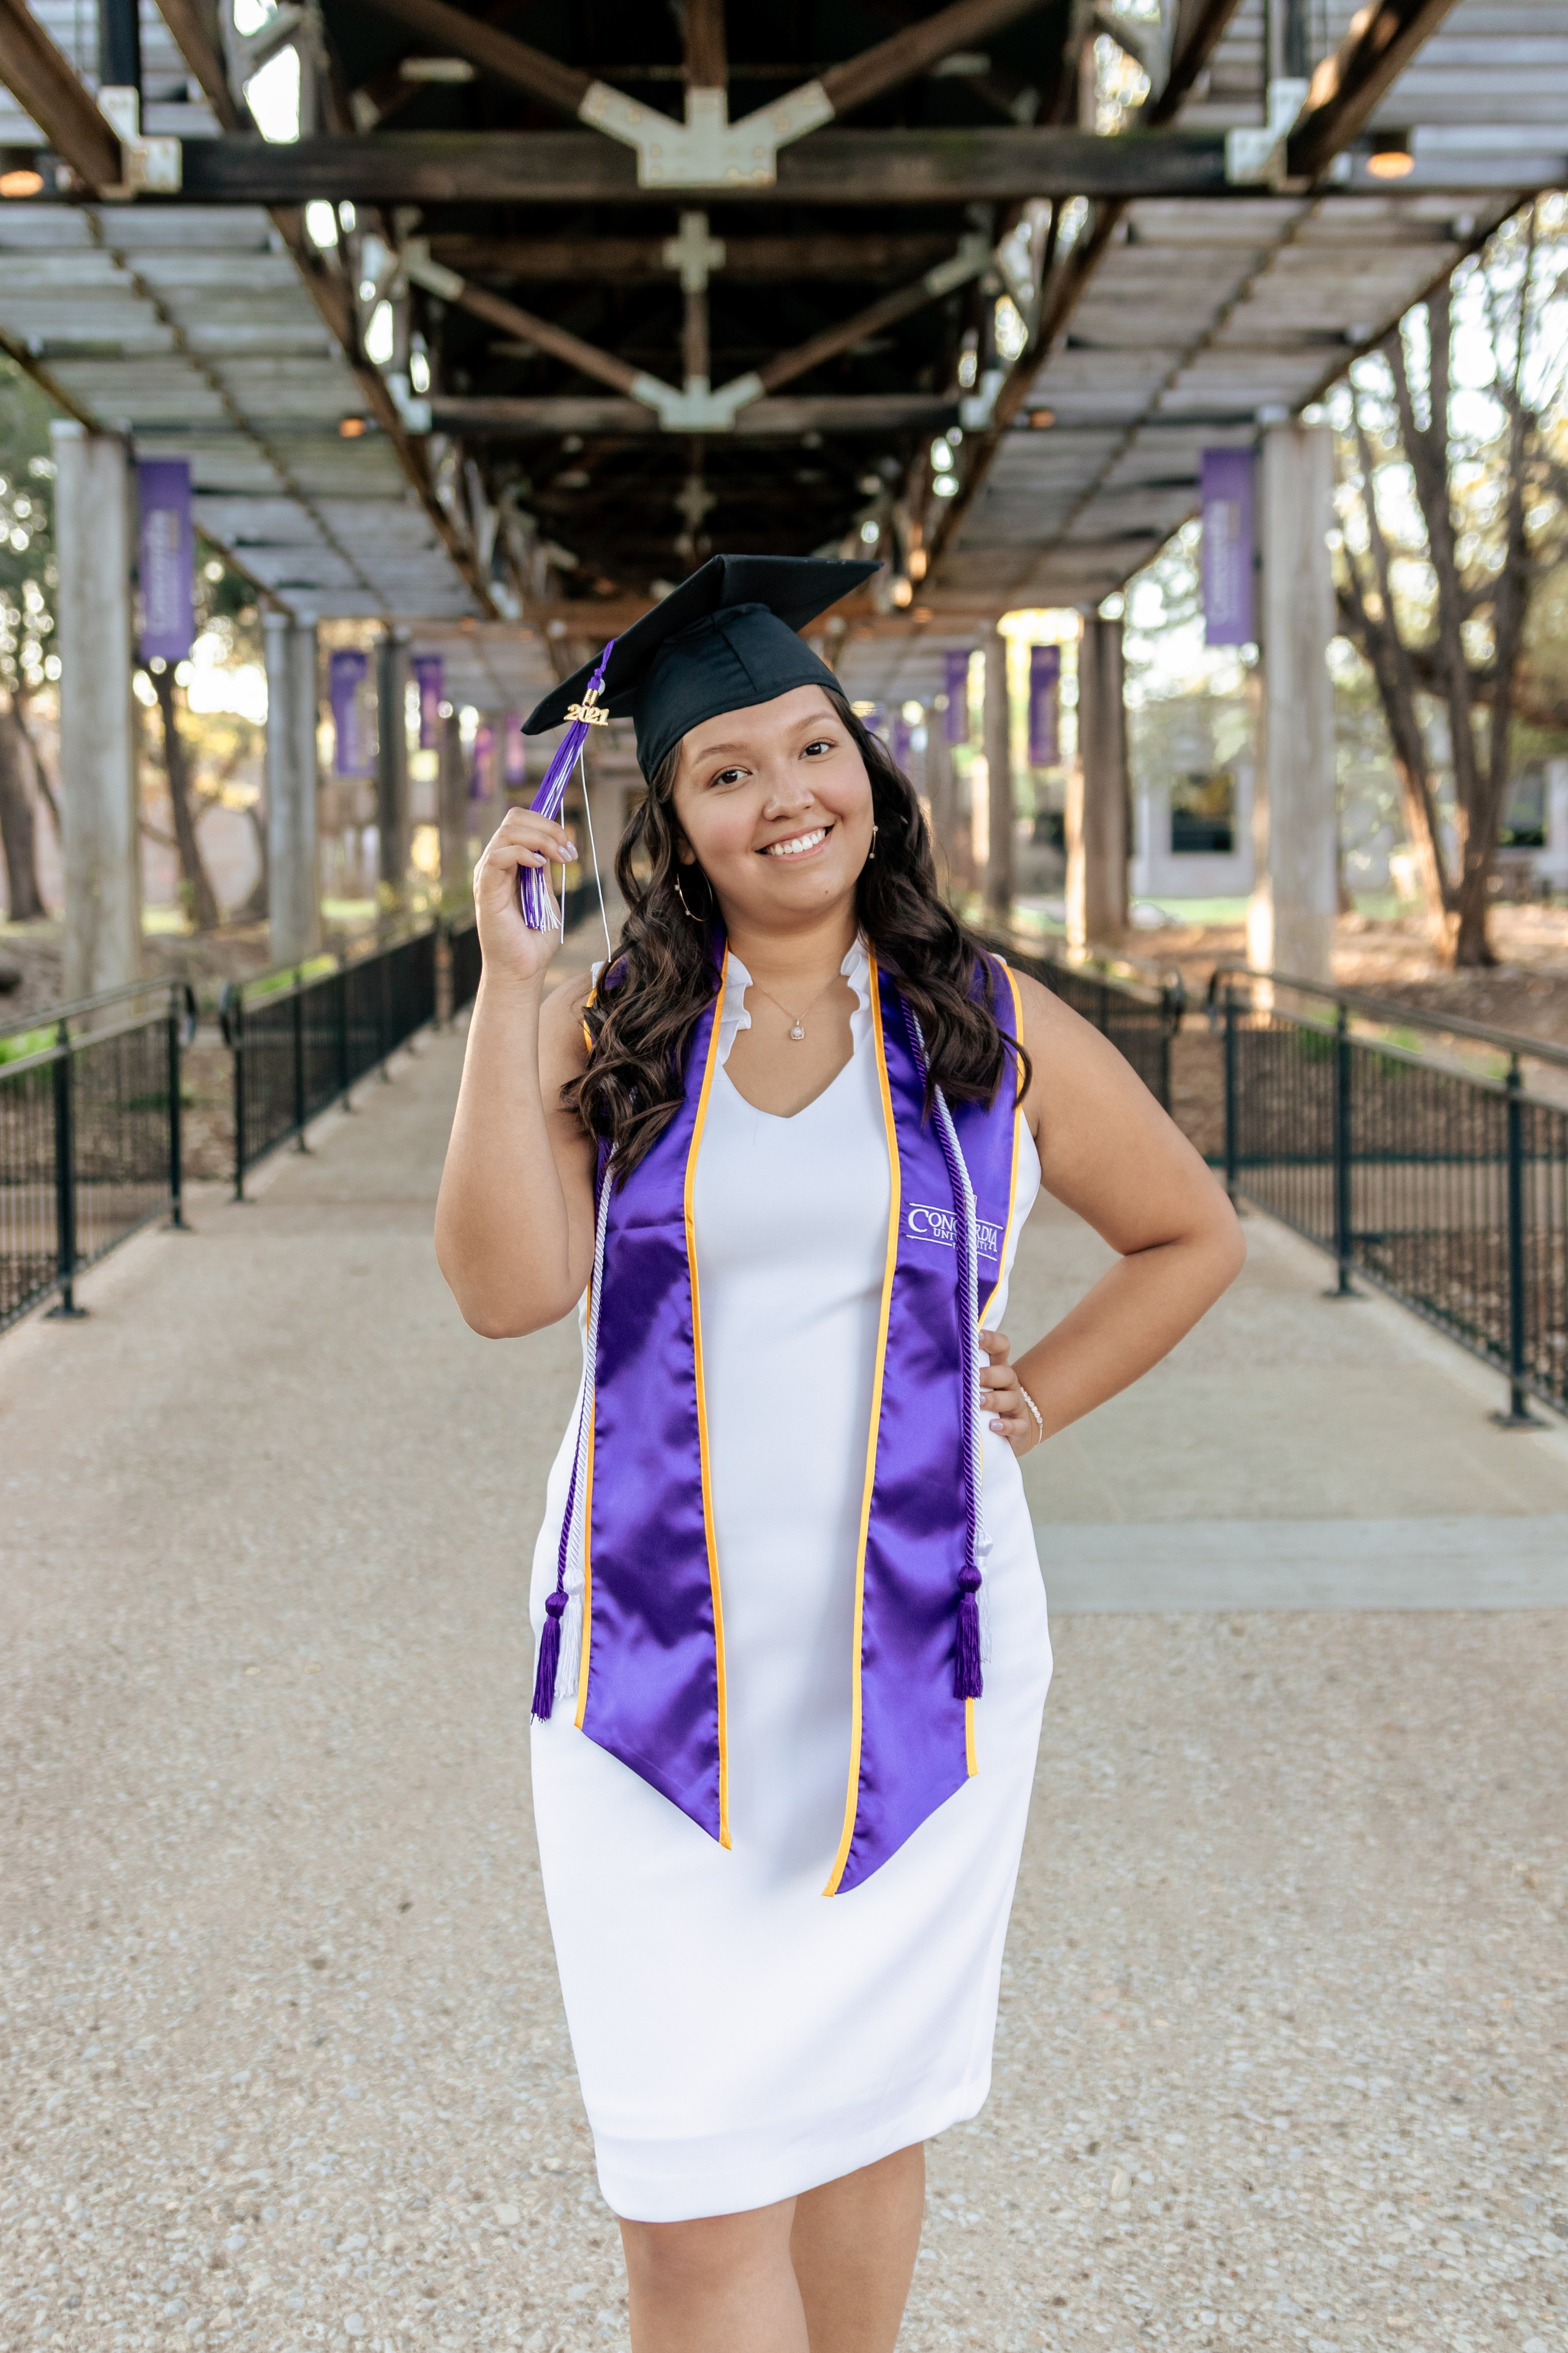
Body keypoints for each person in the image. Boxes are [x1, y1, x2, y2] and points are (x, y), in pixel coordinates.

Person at [434, 555, 1244, 2353]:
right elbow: (507, 1292)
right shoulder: (615, 1021)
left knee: (865, 2129)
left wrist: (1031, 1391)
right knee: (685, 2214)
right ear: (678, 819)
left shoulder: (986, 1019)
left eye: (816, 744)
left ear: (866, 766)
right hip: (645, 1677)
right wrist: (510, 990)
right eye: (729, 768)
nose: (789, 791)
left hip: (925, 1663)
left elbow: (1190, 1232)